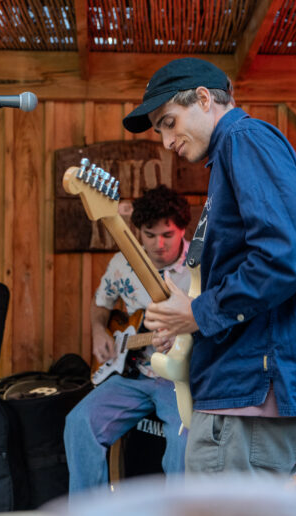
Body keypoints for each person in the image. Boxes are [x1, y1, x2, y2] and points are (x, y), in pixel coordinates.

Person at [122, 58, 296, 476]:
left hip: (245, 402)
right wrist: (186, 323)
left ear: (202, 98)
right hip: (240, 399)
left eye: (169, 122)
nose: (165, 140)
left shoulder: (243, 139)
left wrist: (199, 314)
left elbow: (288, 254)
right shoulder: (230, 155)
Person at [64, 185, 191, 493]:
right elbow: (101, 302)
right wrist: (98, 332)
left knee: (184, 439)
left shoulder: (201, 267)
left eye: (168, 235)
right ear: (138, 231)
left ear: (183, 231)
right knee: (79, 422)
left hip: (182, 380)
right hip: (132, 376)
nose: (159, 244)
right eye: (149, 235)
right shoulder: (122, 264)